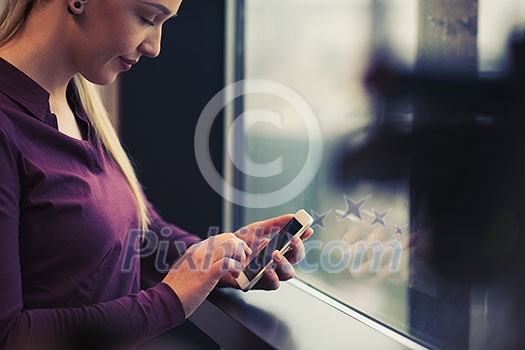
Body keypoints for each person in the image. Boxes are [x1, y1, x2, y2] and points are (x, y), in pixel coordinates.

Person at [0, 0, 313, 349]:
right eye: (148, 18)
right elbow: (10, 335)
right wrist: (170, 299)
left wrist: (218, 258)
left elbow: (140, 237)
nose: (154, 47)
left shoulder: (79, 99)